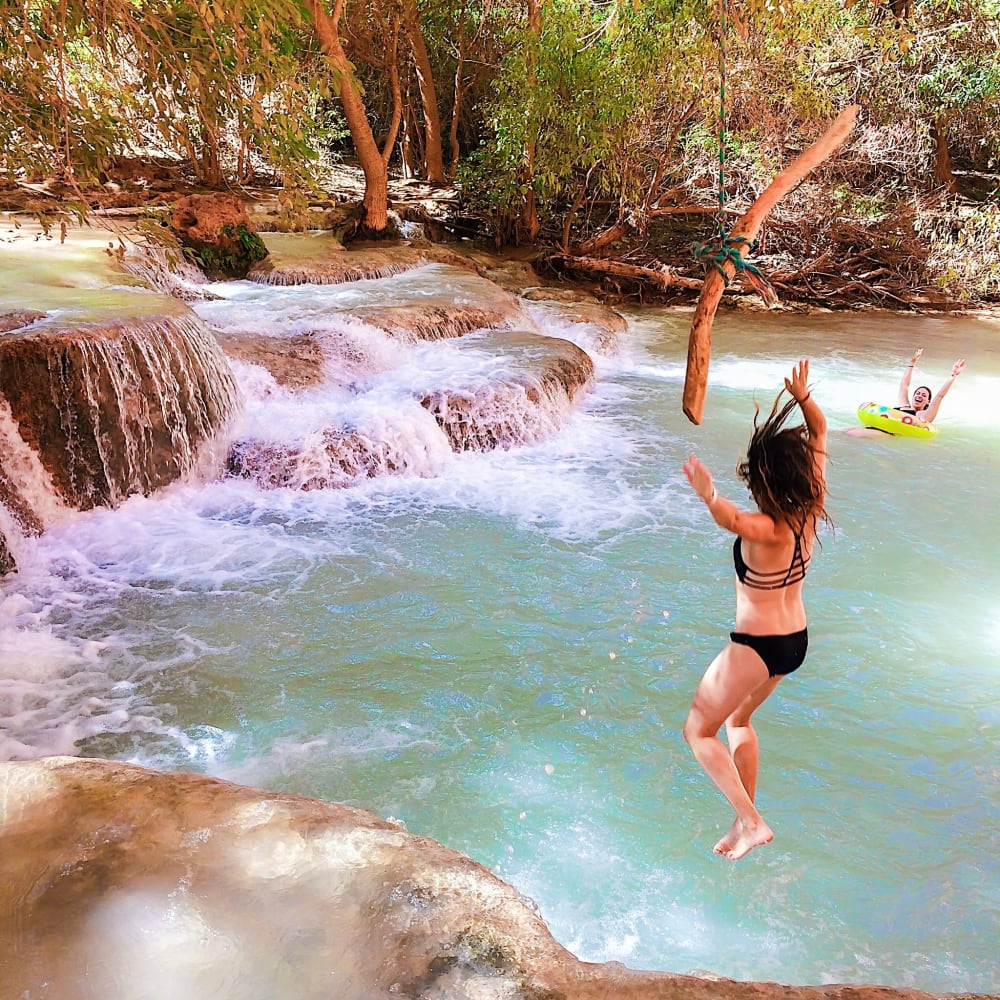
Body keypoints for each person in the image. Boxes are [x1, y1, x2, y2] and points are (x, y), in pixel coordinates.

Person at [681, 359, 829, 861]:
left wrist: (708, 494)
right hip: (795, 642)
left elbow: (731, 519)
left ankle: (752, 819)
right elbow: (821, 429)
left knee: (697, 731)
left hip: (757, 646)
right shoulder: (811, 508)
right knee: (739, 721)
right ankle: (745, 823)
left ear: (764, 477)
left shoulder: (767, 528)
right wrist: (804, 399)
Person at [895, 348, 966, 424]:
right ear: (913, 396)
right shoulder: (904, 405)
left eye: (924, 395)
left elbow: (940, 396)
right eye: (917, 393)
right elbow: (904, 385)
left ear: (928, 402)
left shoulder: (924, 415)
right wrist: (912, 363)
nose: (919, 396)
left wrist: (953, 375)